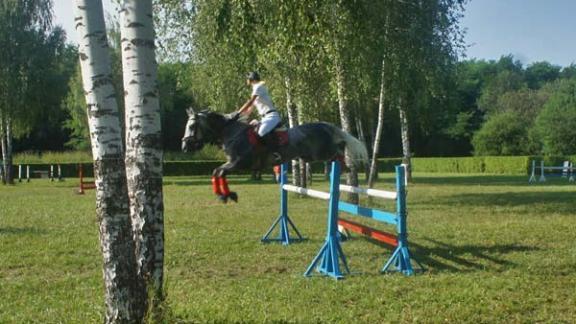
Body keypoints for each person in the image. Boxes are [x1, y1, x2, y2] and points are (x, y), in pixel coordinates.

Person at [236, 71, 282, 160]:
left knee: (261, 133)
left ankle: (275, 153)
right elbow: (249, 110)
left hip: (272, 116)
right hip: (264, 118)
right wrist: (239, 117)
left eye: (247, 79)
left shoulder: (258, 87)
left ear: (250, 79)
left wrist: (238, 113)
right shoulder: (256, 89)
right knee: (251, 128)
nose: (246, 81)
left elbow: (249, 102)